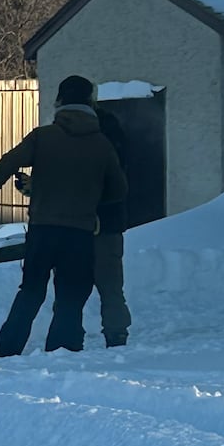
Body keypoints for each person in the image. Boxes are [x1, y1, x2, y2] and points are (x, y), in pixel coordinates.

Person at [0, 75, 127, 357]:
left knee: (30, 290)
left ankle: (8, 350)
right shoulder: (102, 144)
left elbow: (8, 162)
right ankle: (62, 350)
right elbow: (119, 189)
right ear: (90, 101)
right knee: (70, 294)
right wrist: (88, 196)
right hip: (79, 233)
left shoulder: (43, 137)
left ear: (59, 102)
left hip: (43, 229)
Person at [94, 105, 131, 347]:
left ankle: (67, 334)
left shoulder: (72, 140)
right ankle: (117, 333)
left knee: (69, 287)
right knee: (112, 286)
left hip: (76, 223)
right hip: (110, 223)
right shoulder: (116, 139)